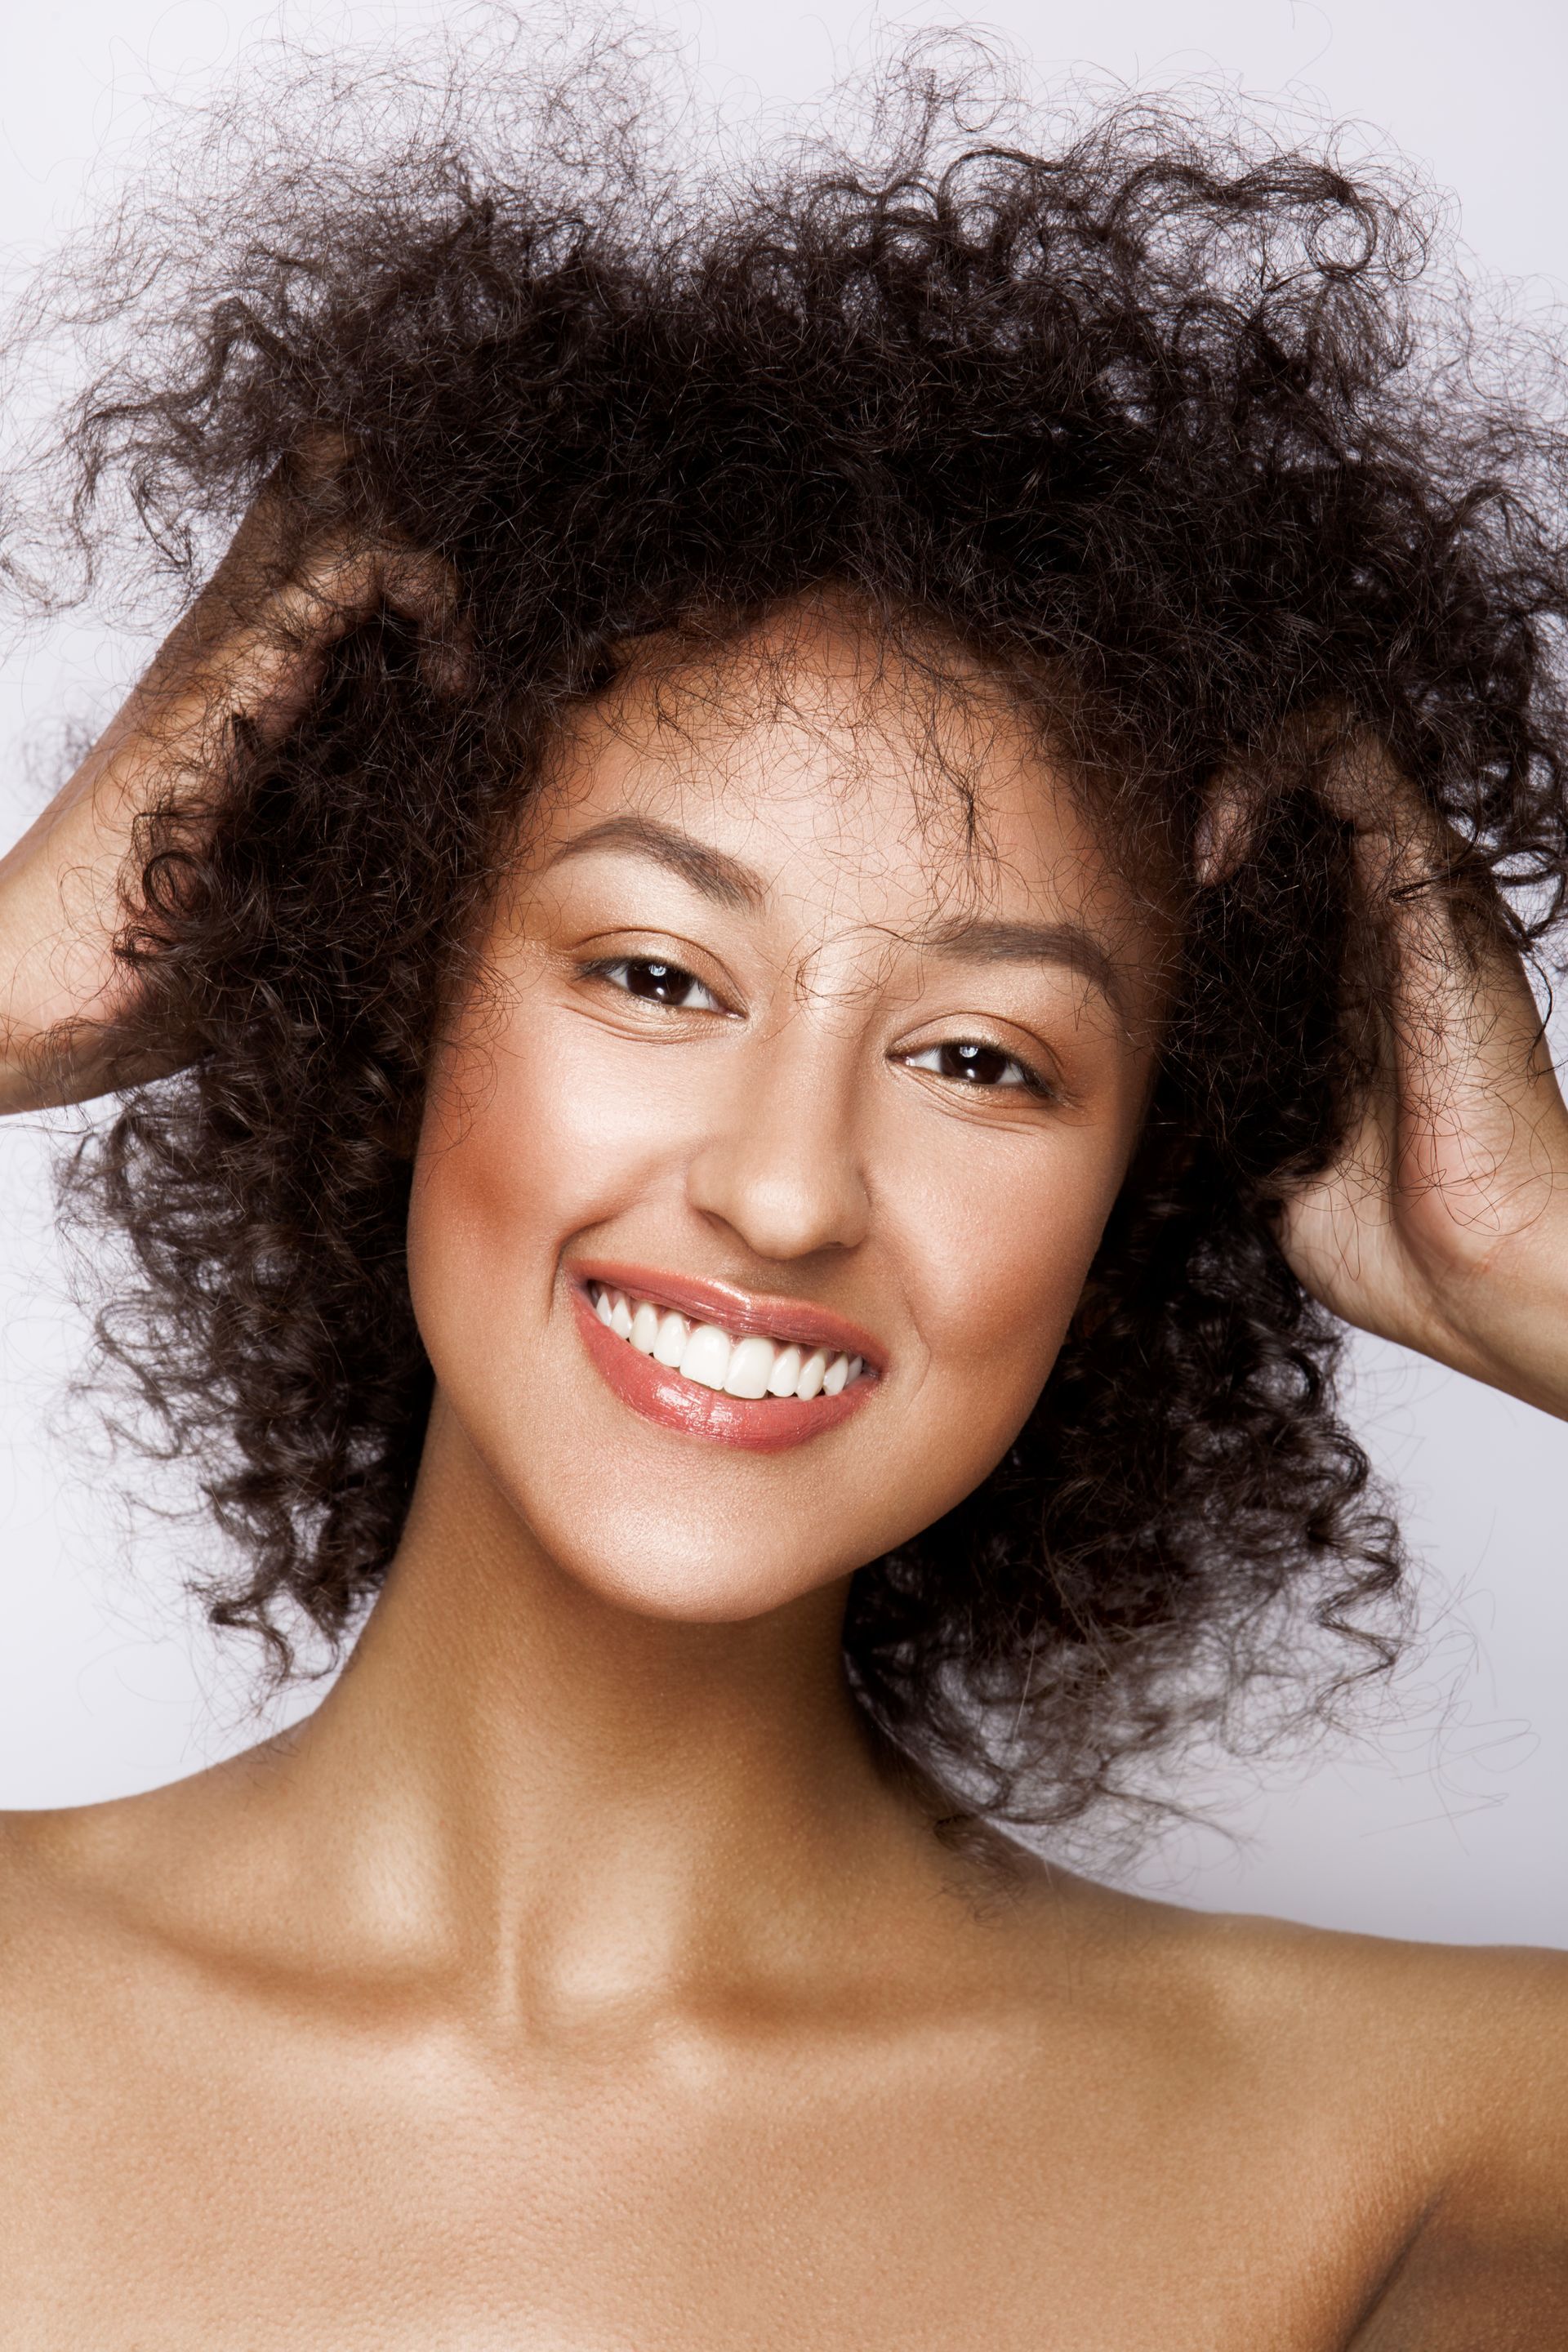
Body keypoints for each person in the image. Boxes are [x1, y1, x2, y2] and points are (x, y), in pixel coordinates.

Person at [1, 39, 1565, 2342]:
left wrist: (1544, 1272)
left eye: (980, 1059)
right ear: (381, 977)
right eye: (654, 971)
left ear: (1152, 1172)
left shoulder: (1419, 2138)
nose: (788, 1188)